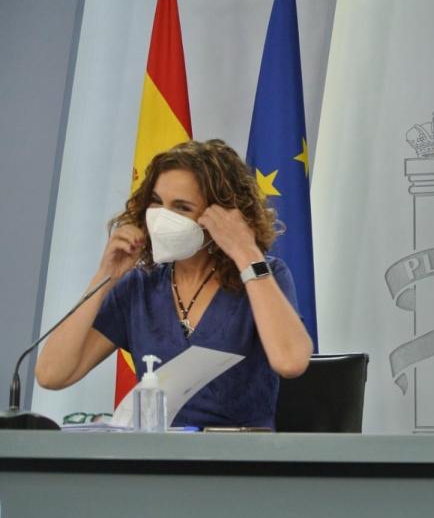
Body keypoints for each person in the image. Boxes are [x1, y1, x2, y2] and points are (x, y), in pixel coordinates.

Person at [35, 139, 313, 428]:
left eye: (181, 207)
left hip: (238, 461)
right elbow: (52, 374)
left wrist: (246, 252)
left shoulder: (264, 275)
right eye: (156, 202)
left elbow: (291, 362)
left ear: (220, 215)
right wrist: (104, 276)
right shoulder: (139, 287)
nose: (162, 217)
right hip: (157, 460)